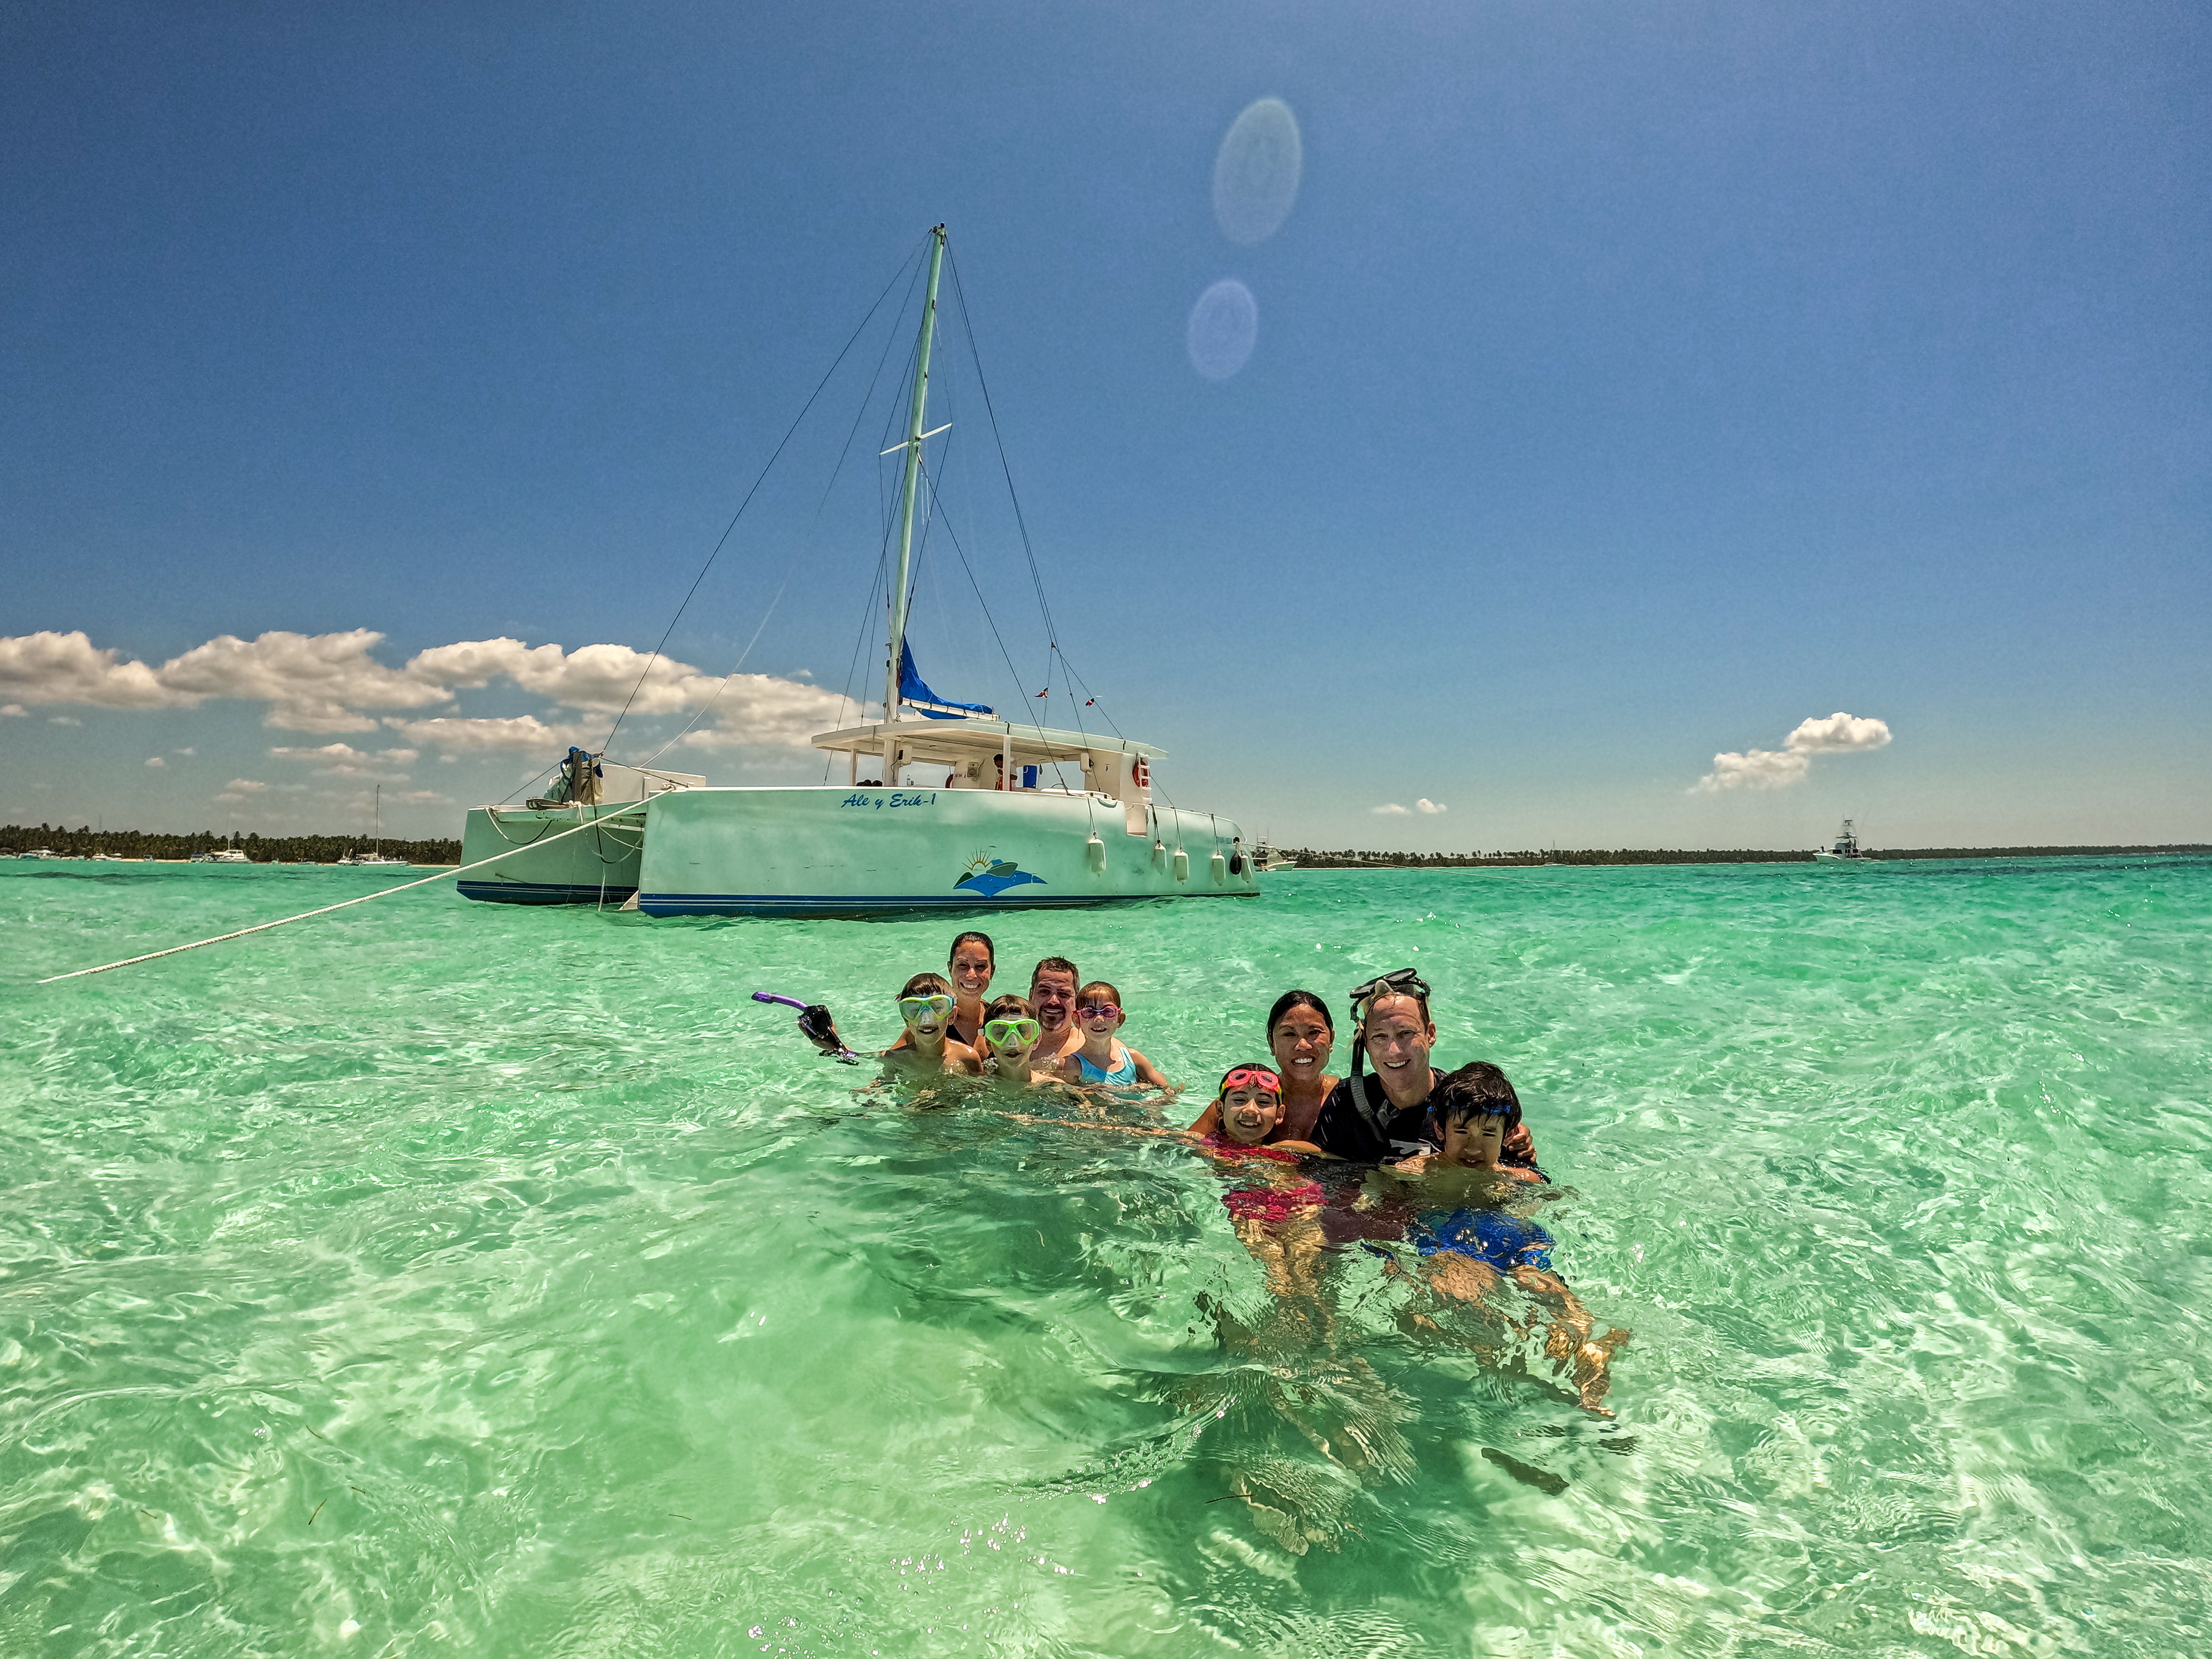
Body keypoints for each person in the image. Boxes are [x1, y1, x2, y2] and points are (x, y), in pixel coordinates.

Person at [1382, 1063, 1626, 1412]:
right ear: (1440, 1129)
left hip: (1507, 1239)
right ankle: (1517, 1356)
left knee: (1546, 1289)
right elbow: (1379, 1199)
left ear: (1508, 1135)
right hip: (1456, 1241)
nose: (1473, 1148)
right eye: (1462, 1132)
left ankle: (1589, 1347)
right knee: (1471, 1296)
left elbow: (1556, 1202)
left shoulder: (1519, 1179)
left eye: (1488, 1135)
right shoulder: (1412, 1172)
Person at [1307, 969, 1539, 1169]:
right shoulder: (1348, 1101)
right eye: (1380, 1037)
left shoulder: (1462, 1101)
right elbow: (1320, 1178)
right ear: (1366, 1044)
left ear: (1430, 1034)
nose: (1395, 1050)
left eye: (1406, 1033)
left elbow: (1532, 1186)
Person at [1187, 989, 1337, 1143]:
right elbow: (1182, 1147)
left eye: (1314, 1033)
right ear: (1272, 1043)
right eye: (1289, 1034)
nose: (1303, 1045)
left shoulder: (1349, 1101)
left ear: (1331, 1039)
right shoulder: (1236, 1104)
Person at [803, 971, 978, 1075]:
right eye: (914, 1009)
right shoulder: (895, 1059)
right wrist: (832, 1044)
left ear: (952, 1016)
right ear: (905, 1019)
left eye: (937, 1007)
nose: (926, 1018)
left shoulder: (969, 1058)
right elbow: (862, 1065)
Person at [885, 931, 995, 1053]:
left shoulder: (997, 1018)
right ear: (950, 969)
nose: (971, 975)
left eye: (980, 966)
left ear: (992, 971)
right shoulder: (935, 1018)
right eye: (963, 965)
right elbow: (891, 1058)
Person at [1055, 980, 1172, 1089]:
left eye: (1108, 1012)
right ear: (1077, 1020)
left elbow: (1169, 1091)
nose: (1099, 1019)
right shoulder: (1071, 1066)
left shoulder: (1133, 1058)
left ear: (1120, 1020)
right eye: (1089, 1012)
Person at [973, 993, 1060, 1087]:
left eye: (1022, 1032)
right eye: (1001, 1033)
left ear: (1036, 1040)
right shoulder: (977, 1088)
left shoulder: (1055, 1088)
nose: (1013, 1043)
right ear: (988, 1043)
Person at [1026, 956, 1085, 1063]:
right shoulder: (1012, 1043)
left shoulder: (1089, 1050)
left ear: (1077, 1001)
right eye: (1044, 991)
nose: (1053, 1001)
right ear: (1031, 996)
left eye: (1063, 994)